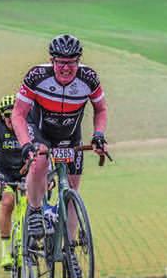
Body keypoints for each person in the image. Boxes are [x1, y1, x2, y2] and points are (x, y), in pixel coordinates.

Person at [11, 34, 108, 254]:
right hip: (40, 131)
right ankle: (35, 212)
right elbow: (18, 114)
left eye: (72, 62)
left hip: (71, 136)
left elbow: (100, 109)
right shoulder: (37, 76)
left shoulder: (89, 78)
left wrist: (99, 135)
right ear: (52, 60)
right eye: (61, 62)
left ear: (79, 60)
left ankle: (69, 248)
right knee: (40, 160)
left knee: (73, 189)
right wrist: (26, 144)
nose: (66, 67)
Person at [0, 94, 24, 269]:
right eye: (7, 115)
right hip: (6, 176)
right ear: (1, 116)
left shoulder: (25, 128)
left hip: (25, 174)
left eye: (13, 114)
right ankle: (6, 252)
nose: (10, 118)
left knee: (33, 203)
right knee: (8, 202)